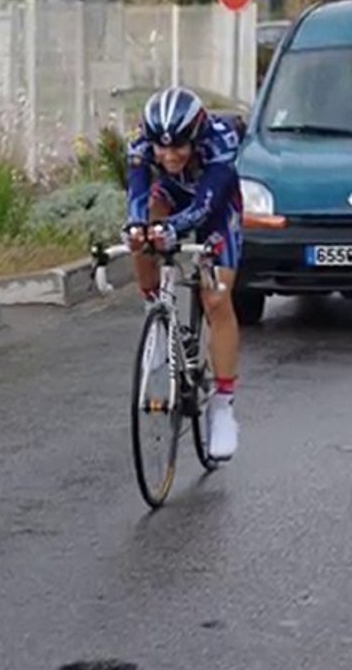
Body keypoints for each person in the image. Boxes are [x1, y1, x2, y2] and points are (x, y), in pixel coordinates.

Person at [123, 86, 245, 460]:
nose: (169, 155)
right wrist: (138, 229)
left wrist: (176, 229)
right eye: (162, 148)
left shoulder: (219, 142)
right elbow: (138, 198)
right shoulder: (141, 145)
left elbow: (206, 205)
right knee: (142, 232)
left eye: (179, 147)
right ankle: (157, 315)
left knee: (216, 298)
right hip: (171, 196)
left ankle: (223, 408)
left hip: (217, 207)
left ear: (195, 138)